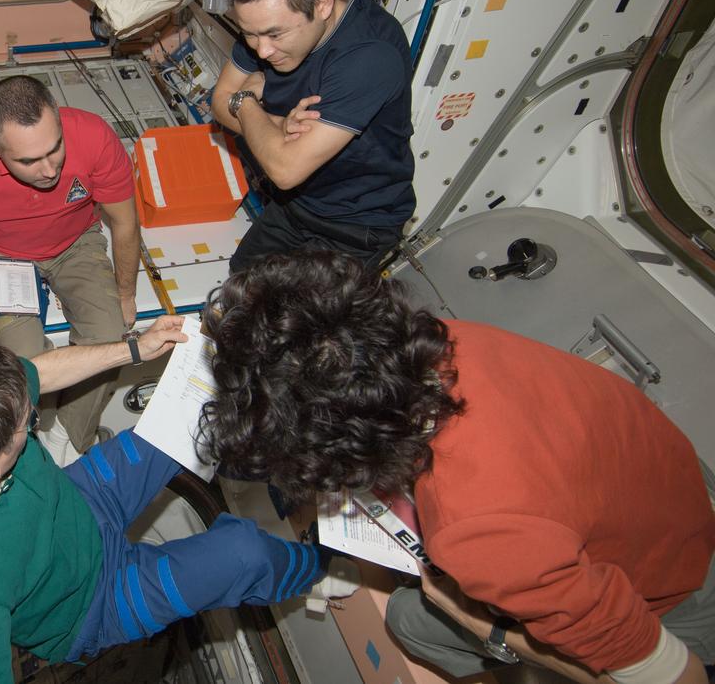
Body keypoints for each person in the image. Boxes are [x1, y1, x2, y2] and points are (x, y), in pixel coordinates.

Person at [199, 252, 715, 684]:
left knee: (412, 619)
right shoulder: (440, 340)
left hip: (671, 596)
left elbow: (682, 678)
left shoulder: (479, 535)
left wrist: (490, 630)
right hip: (667, 492)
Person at [0, 317, 326, 684]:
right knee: (244, 554)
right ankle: (322, 569)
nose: (33, 414)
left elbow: (38, 375)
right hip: (92, 604)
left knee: (191, 405)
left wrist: (136, 347)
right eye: (29, 423)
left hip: (82, 499)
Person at [0, 74, 140, 461]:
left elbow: (124, 221)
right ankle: (42, 426)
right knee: (23, 362)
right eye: (28, 160)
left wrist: (125, 293)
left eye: (55, 149)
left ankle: (68, 439)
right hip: (2, 254)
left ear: (59, 122)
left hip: (77, 242)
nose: (49, 170)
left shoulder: (94, 136)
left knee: (110, 336)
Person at [210, 0, 416, 272]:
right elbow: (218, 101)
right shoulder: (268, 19)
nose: (261, 51)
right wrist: (274, 122)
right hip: (296, 206)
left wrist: (244, 102)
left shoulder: (370, 56)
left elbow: (285, 167)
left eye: (274, 35)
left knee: (295, 322)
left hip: (354, 225)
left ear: (321, 4)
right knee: (241, 282)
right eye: (250, 35)